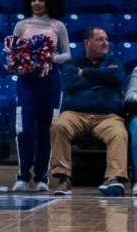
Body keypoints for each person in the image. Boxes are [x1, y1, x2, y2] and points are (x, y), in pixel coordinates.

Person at [48, 26, 125, 196]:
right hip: (76, 114)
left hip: (107, 117)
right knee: (59, 126)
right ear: (86, 42)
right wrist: (102, 79)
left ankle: (114, 178)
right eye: (99, 39)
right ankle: (63, 179)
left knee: (119, 133)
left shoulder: (115, 62)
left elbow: (117, 77)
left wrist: (85, 74)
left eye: (106, 39)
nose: (105, 43)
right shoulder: (72, 64)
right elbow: (69, 83)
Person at [9, 0, 70, 193]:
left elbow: (67, 55)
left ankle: (42, 176)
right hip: (26, 81)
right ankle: (23, 176)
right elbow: (12, 53)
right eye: (34, 0)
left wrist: (50, 57)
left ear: (49, 2)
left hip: (50, 81)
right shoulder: (21, 25)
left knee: (46, 129)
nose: (36, 3)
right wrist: (21, 60)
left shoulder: (58, 26)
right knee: (26, 129)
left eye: (41, 0)